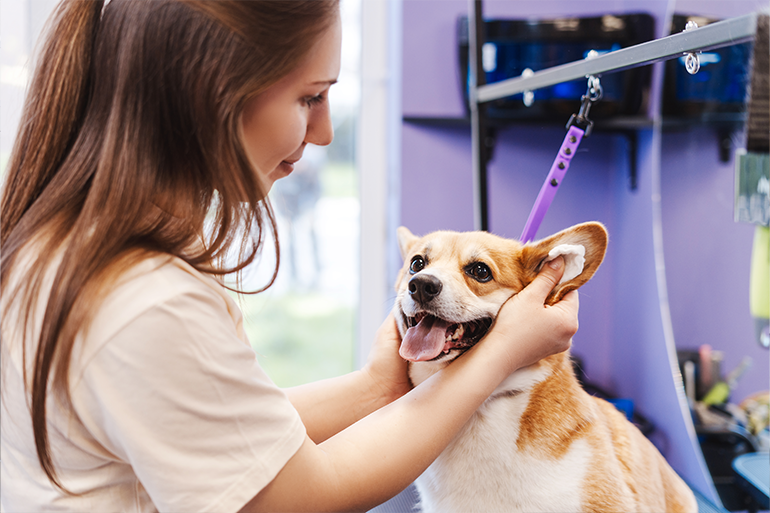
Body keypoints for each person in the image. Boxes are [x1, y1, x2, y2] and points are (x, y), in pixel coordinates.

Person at [0, 1, 580, 511]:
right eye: (310, 98)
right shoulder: (146, 302)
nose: (325, 131)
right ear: (213, 90)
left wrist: (380, 385)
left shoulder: (78, 250)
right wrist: (500, 352)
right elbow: (303, 494)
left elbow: (225, 433)